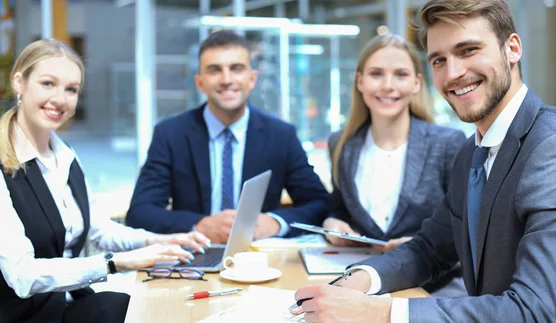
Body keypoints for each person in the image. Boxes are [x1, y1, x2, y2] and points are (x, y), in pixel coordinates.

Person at [291, 0, 556, 322]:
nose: (453, 73)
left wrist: (380, 312)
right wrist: (355, 282)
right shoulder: (473, 151)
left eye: (468, 50)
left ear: (512, 48)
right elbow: (429, 249)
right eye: (439, 60)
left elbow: (535, 311)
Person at [0, 39, 211, 323]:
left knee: (152, 303)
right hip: (23, 315)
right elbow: (22, 275)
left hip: (66, 303)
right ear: (19, 83)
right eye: (48, 83)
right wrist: (115, 263)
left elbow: (100, 230)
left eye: (71, 89)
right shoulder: (4, 165)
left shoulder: (65, 156)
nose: (60, 99)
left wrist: (160, 240)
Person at [125, 30, 329, 243]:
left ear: (252, 79)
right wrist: (200, 225)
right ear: (200, 83)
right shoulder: (170, 134)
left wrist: (275, 222)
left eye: (236, 69)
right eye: (214, 70)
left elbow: (320, 203)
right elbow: (140, 213)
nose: (226, 79)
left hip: (258, 257)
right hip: (194, 255)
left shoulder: (281, 135)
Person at [324, 33, 466, 253]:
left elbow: (466, 227)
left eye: (401, 75)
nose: (388, 85)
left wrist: (426, 247)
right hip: (362, 273)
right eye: (376, 74)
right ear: (360, 81)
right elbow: (341, 209)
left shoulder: (448, 144)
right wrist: (331, 224)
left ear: (416, 83)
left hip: (432, 281)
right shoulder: (341, 144)